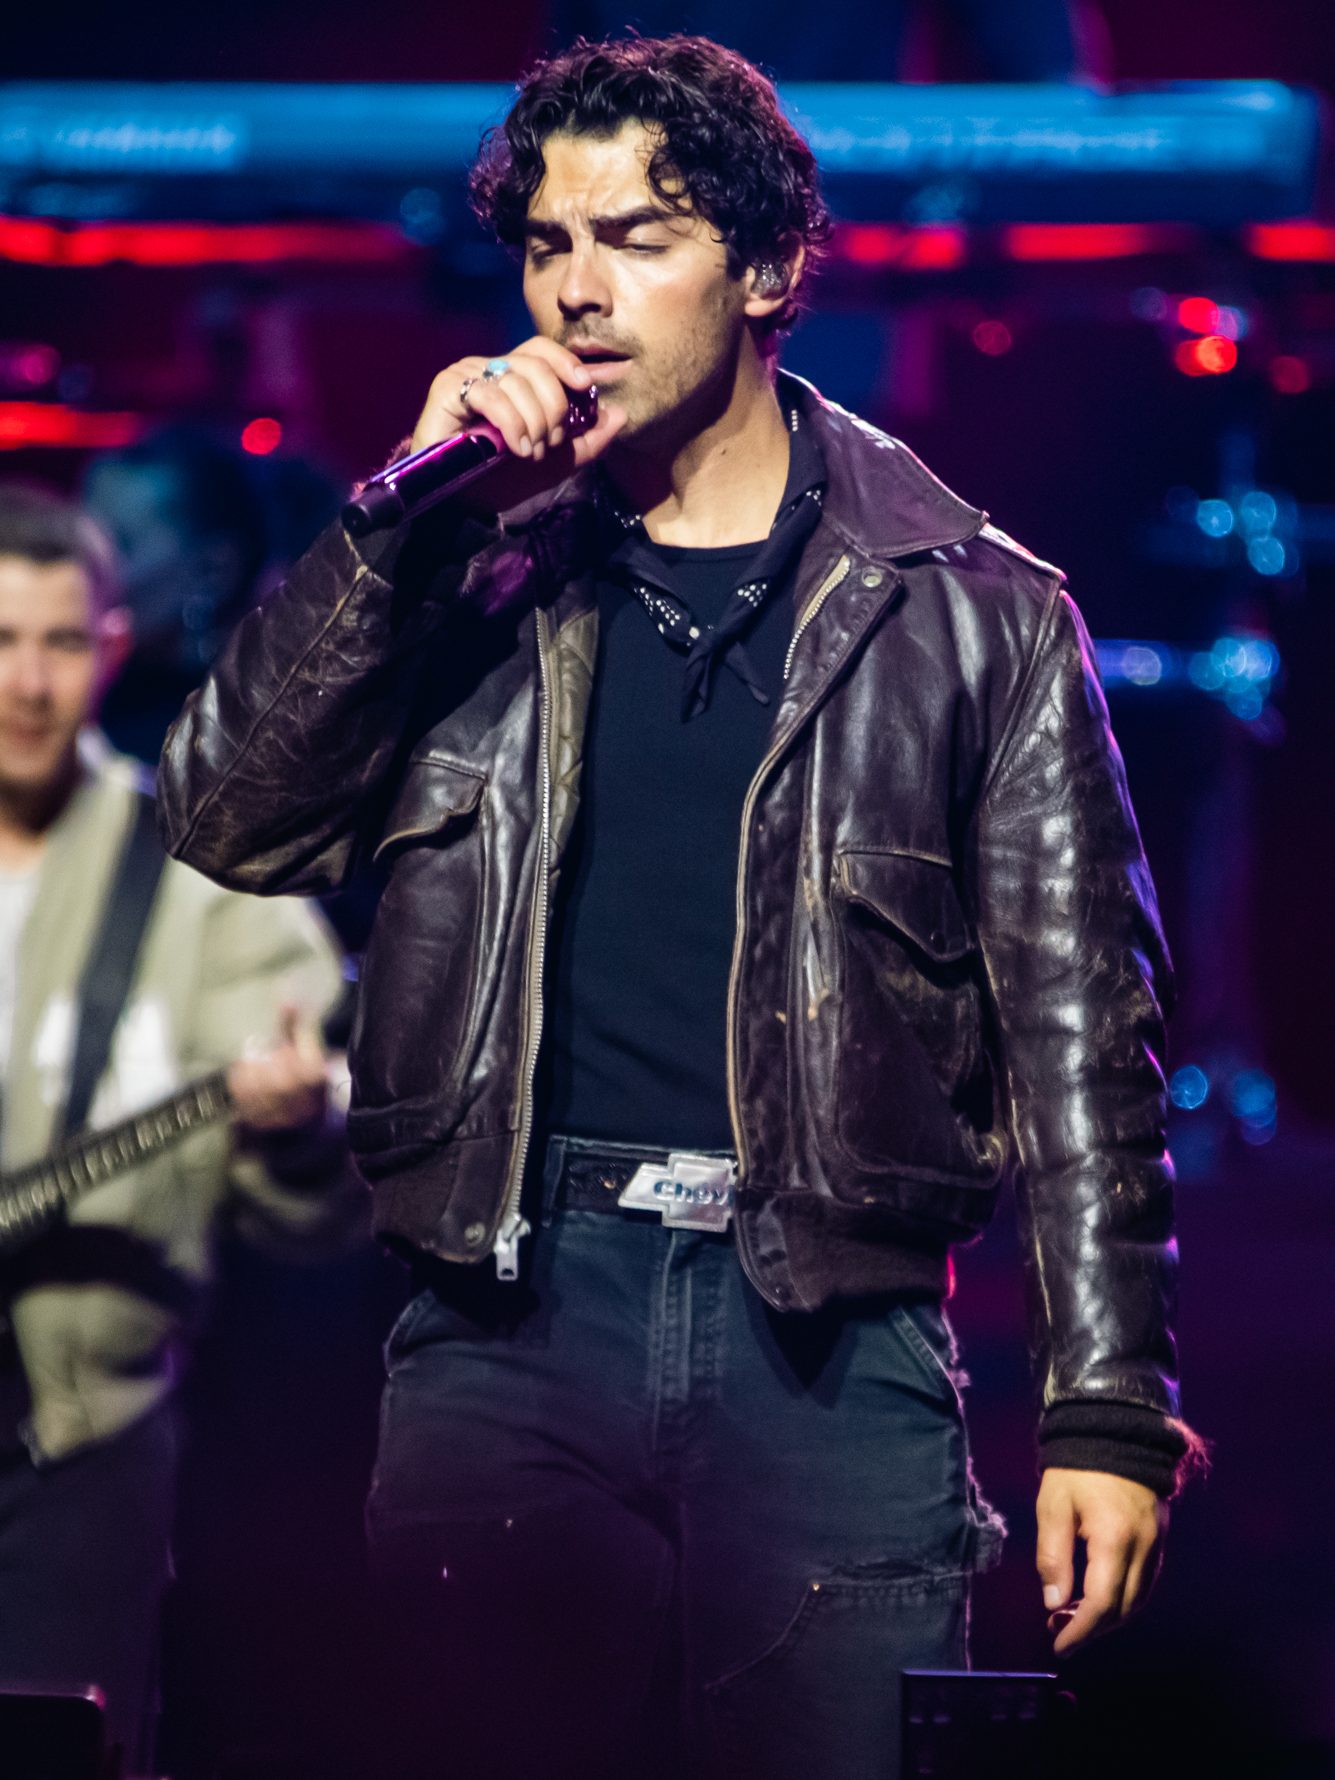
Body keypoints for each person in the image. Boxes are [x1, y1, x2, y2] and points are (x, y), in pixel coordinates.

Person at [159, 35, 1199, 1780]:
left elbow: (1086, 1041)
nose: (578, 291)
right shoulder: (470, 564)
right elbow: (226, 815)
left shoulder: (976, 611)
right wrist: (397, 521)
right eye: (549, 245)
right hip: (507, 1316)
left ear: (772, 266)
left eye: (638, 237)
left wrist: (1110, 1406)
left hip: (829, 1333)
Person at [0, 482, 364, 1774]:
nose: (29, 685)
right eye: (0, 643)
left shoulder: (201, 864)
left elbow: (325, 1212)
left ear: (111, 645)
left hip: (80, 1442)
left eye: (58, 643)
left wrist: (299, 1131)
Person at [82, 426, 270, 764]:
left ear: (212, 571)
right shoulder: (75, 697)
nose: (80, 569)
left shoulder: (242, 731)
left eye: (117, 545)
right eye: (80, 539)